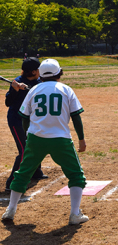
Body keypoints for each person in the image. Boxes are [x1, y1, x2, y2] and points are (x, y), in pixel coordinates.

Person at [2, 59, 89, 225]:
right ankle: (75, 214)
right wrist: (81, 139)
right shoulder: (66, 89)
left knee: (22, 174)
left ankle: (10, 210)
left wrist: (28, 135)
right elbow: (76, 117)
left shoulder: (33, 90)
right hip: (61, 139)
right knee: (76, 176)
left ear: (40, 73)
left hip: (36, 138)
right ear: (59, 73)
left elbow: (24, 118)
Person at [5, 57, 48, 192]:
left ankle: (36, 172)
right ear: (34, 71)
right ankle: (11, 182)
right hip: (16, 120)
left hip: (31, 119)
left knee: (36, 143)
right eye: (38, 69)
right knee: (24, 150)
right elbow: (8, 103)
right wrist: (15, 90)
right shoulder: (17, 82)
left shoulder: (39, 81)